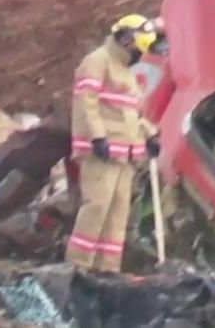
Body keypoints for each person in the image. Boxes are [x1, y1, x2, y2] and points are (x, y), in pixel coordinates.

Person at [66, 14, 163, 272]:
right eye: (138, 47)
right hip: (102, 153)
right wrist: (97, 137)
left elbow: (133, 114)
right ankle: (78, 268)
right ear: (126, 38)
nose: (138, 54)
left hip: (125, 155)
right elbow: (87, 103)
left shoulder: (127, 72)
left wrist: (150, 135)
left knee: (117, 218)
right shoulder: (97, 62)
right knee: (96, 210)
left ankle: (107, 271)